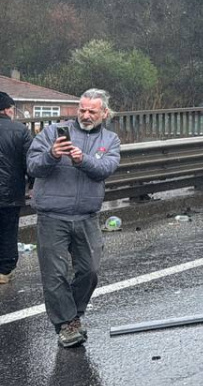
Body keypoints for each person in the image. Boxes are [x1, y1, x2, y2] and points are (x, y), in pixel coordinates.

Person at [27, 89, 121, 347]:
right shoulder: (50, 133)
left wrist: (82, 160)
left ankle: (74, 315)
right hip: (52, 215)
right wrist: (52, 154)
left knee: (89, 271)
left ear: (104, 113)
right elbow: (32, 166)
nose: (86, 115)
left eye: (92, 111)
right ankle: (66, 325)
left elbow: (105, 169)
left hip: (87, 216)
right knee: (54, 275)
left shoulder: (110, 140)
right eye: (82, 109)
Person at [0, 92, 33, 285]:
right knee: (8, 231)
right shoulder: (20, 130)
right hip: (11, 193)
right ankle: (4, 271)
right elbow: (30, 161)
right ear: (7, 110)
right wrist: (33, 184)